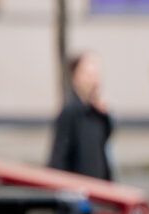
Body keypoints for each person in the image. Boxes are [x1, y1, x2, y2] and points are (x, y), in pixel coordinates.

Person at [48, 51, 113, 180]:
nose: (94, 80)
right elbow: (59, 156)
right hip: (78, 191)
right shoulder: (70, 112)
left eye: (96, 74)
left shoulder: (97, 113)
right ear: (75, 76)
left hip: (99, 190)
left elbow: (105, 143)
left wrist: (105, 115)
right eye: (89, 75)